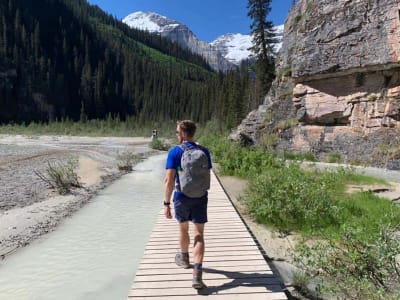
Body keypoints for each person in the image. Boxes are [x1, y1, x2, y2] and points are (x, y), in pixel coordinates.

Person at [163, 120, 212, 290]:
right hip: (200, 197)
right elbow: (206, 174)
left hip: (181, 197)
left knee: (183, 229)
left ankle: (184, 259)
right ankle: (197, 275)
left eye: (177, 132)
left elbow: (169, 180)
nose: (176, 135)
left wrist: (166, 203)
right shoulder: (204, 151)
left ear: (183, 134)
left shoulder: (175, 152)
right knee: (199, 234)